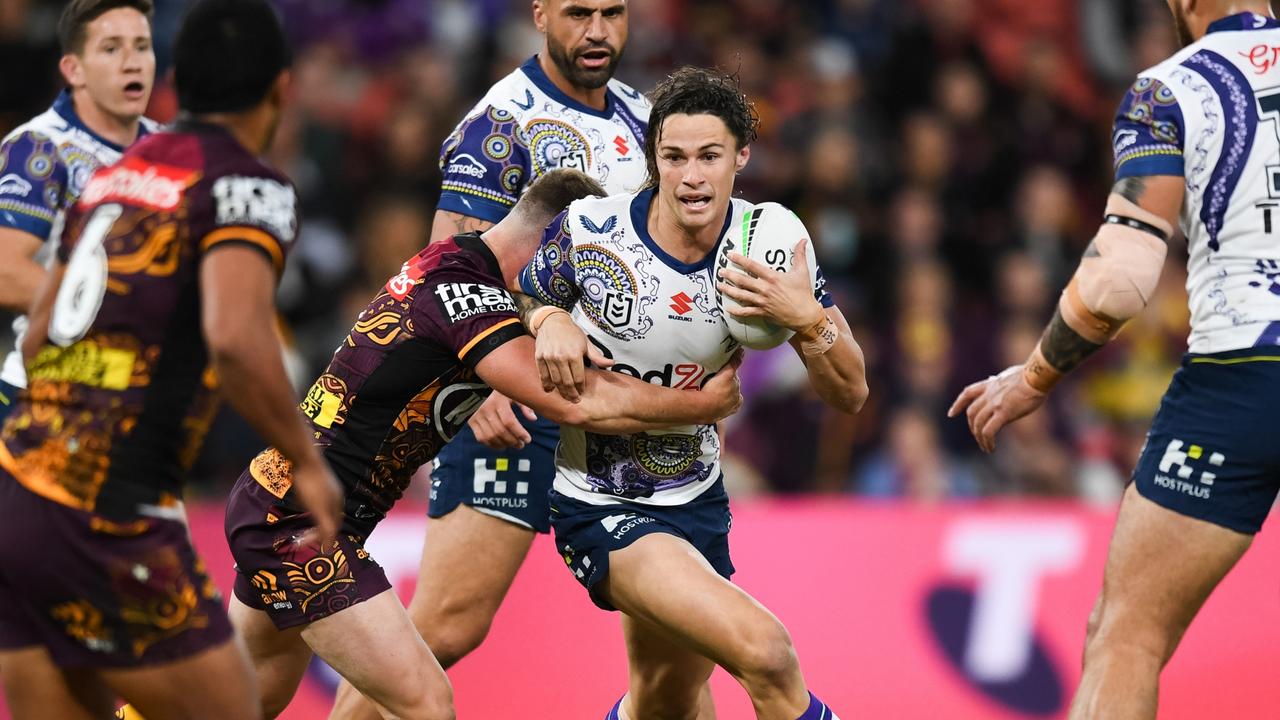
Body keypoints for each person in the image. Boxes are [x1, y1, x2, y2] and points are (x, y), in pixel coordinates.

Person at [225, 169, 743, 720]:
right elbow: (577, 404)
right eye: (584, 265)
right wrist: (704, 405)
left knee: (236, 705)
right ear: (560, 241)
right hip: (297, 526)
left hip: (284, 505)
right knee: (427, 703)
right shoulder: (467, 294)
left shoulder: (460, 264)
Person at [0, 1, 344, 719]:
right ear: (282, 88)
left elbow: (36, 337)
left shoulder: (116, 174)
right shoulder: (249, 185)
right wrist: (305, 460)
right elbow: (234, 334)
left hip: (18, 488)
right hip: (109, 509)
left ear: (176, 79)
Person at [330, 0, 663, 716]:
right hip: (518, 399)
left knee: (666, 646)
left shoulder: (645, 118)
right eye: (579, 12)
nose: (598, 31)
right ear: (540, 13)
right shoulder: (500, 123)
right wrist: (479, 389)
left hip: (623, 410)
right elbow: (446, 269)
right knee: (450, 624)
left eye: (613, 12)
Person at [950, 2, 1280, 718]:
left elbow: (1119, 280)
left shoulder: (1172, 90)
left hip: (1241, 381)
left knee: (1126, 634)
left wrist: (1032, 377)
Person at [521, 66, 867, 720]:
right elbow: (521, 298)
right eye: (674, 157)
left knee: (668, 699)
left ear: (742, 156)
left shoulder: (768, 244)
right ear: (654, 158)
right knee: (766, 653)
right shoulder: (593, 232)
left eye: (710, 156)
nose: (692, 176)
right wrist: (549, 318)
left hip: (698, 502)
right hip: (598, 503)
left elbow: (850, 391)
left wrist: (807, 318)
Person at [0, 0, 158, 425]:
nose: (133, 63)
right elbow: (5, 270)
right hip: (42, 399)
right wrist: (118, 318)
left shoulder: (173, 152)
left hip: (141, 405)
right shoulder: (39, 147)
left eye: (142, 46)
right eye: (111, 49)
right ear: (74, 70)